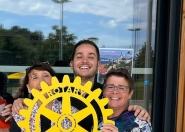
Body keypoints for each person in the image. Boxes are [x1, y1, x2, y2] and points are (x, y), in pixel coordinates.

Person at [12, 39, 151, 122]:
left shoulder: (107, 94)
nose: (85, 61)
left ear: (98, 64)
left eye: (91, 57)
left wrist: (136, 109)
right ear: (72, 64)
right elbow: (37, 107)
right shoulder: (57, 92)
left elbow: (121, 114)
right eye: (79, 56)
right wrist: (21, 101)